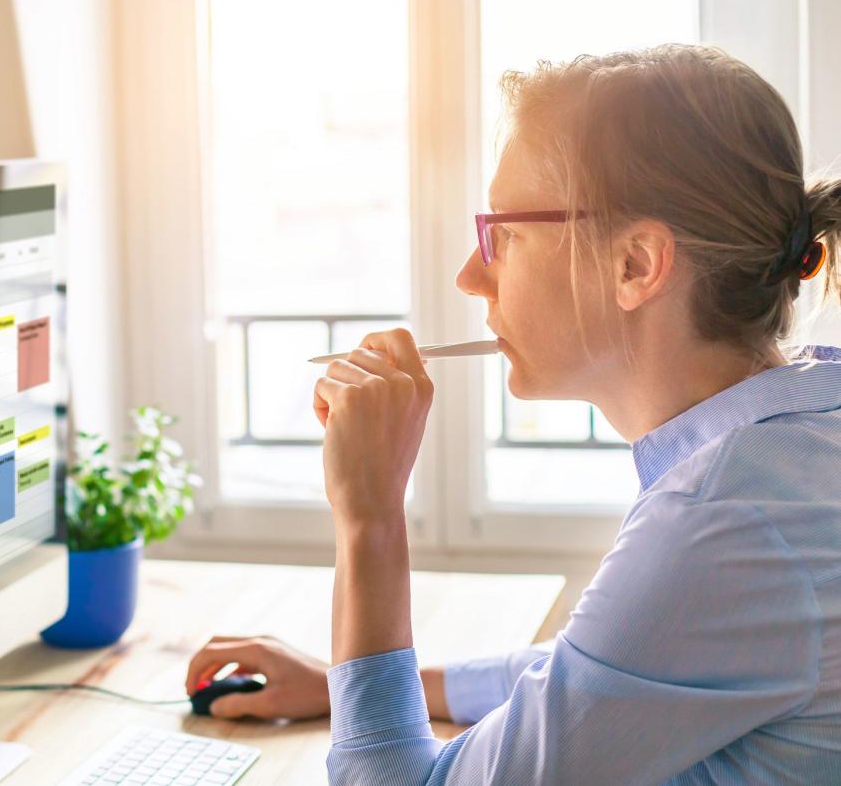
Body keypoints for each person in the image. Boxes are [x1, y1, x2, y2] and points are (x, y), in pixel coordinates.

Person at [185, 44, 841, 783]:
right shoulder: (799, 442)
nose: (471, 276)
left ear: (636, 264)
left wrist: (369, 517)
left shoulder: (724, 521)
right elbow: (603, 672)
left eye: (504, 235)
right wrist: (351, 687)